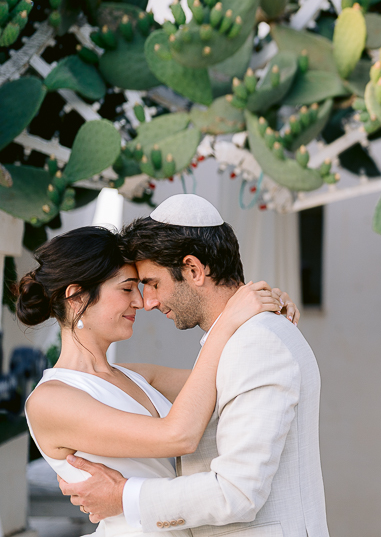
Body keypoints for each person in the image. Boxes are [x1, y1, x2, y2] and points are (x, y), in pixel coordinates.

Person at [57, 194, 330, 537]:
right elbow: (168, 389)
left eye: (153, 284)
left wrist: (123, 496)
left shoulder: (257, 343)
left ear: (193, 270)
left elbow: (238, 492)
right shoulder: (242, 338)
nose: (148, 302)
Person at [17, 223, 292, 537]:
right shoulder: (49, 401)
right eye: (126, 288)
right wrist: (230, 320)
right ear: (77, 297)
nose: (141, 301)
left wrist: (263, 316)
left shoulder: (136, 375)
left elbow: (240, 379)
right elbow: (179, 435)